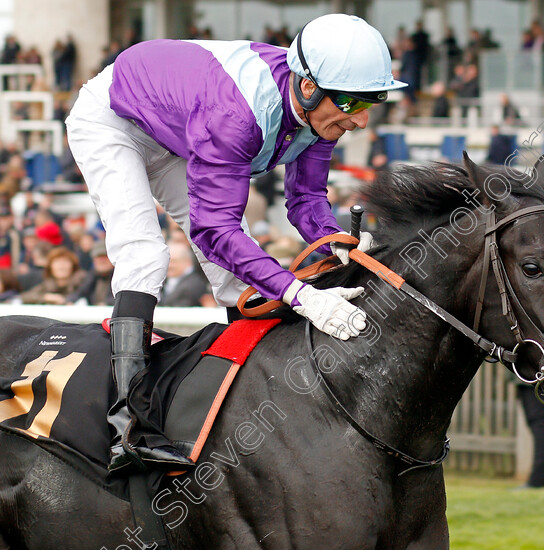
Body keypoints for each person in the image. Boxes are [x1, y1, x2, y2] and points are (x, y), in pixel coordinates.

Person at [65, 14, 403, 472]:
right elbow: (213, 230)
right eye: (351, 103)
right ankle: (126, 425)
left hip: (179, 128)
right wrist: (300, 295)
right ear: (307, 88)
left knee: (230, 278)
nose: (360, 120)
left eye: (372, 102)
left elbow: (305, 200)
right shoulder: (237, 115)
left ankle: (242, 409)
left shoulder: (320, 111)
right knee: (146, 255)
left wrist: (336, 244)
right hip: (114, 120)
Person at [20, 246, 85, 305]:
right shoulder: (48, 284)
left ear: (73, 266)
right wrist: (46, 297)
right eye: (57, 262)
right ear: (50, 267)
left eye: (65, 262)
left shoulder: (82, 284)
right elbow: (25, 297)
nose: (61, 266)